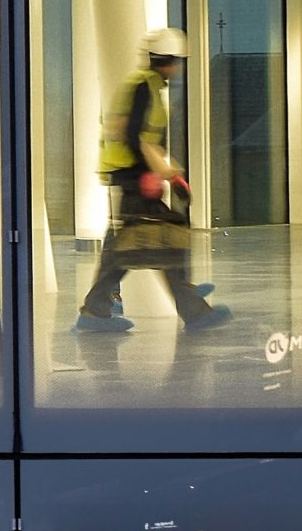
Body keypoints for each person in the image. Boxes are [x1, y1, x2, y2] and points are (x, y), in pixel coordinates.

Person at [76, 27, 233, 334]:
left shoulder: (144, 84)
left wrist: (169, 173)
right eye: (178, 62)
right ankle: (193, 310)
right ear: (170, 61)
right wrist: (151, 173)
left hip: (132, 174)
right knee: (163, 241)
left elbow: (143, 138)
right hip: (135, 176)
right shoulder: (144, 87)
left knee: (127, 247)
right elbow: (134, 135)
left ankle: (95, 310)